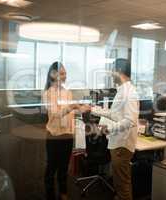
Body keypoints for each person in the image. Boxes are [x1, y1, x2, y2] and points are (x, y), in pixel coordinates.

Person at [91, 58, 139, 200]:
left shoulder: (129, 92)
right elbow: (115, 114)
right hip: (118, 143)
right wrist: (94, 110)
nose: (111, 74)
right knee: (119, 184)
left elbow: (130, 120)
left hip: (122, 145)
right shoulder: (123, 91)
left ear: (119, 71)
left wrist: (110, 129)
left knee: (122, 186)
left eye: (112, 71)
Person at [43, 61, 88, 200]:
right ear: (53, 75)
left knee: (64, 168)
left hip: (67, 135)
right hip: (54, 135)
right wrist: (72, 107)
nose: (65, 76)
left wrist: (81, 108)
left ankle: (63, 193)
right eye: (62, 73)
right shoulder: (48, 93)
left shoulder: (68, 92)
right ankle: (50, 195)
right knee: (52, 167)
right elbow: (56, 114)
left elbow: (70, 113)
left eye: (65, 73)